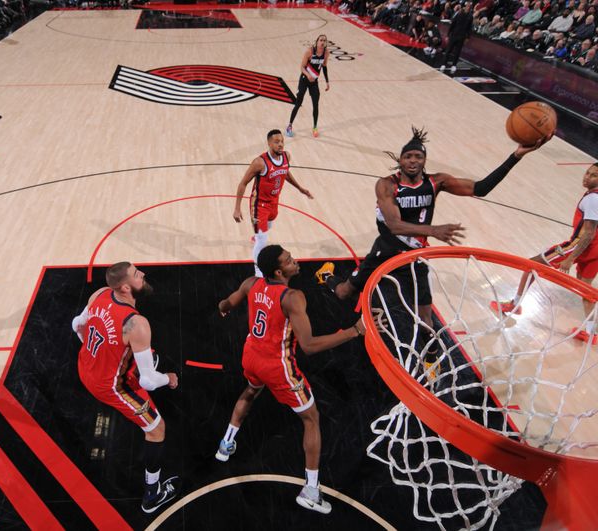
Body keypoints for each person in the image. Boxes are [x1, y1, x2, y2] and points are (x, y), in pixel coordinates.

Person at [321, 127, 549, 359]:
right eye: (408, 156)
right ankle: (327, 277)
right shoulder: (386, 185)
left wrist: (516, 156)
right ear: (400, 159)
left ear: (424, 160)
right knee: (343, 292)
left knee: (425, 317)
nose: (412, 161)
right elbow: (394, 225)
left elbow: (480, 189)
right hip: (385, 250)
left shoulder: (436, 182)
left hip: (413, 257)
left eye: (418, 156)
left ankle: (430, 358)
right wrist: (433, 230)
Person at [214, 245, 364, 514]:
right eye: (289, 260)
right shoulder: (293, 297)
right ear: (279, 271)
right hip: (278, 367)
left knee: (250, 391)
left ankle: (225, 445)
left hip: (251, 356)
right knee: (312, 418)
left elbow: (228, 303)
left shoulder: (251, 283)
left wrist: (223, 307)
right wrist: (353, 331)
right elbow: (309, 345)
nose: (295, 261)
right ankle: (311, 491)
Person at [72, 262, 180, 513]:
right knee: (156, 428)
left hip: (84, 365)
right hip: (108, 386)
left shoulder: (99, 294)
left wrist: (94, 352)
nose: (142, 273)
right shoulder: (137, 324)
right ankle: (152, 495)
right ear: (124, 287)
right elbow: (148, 381)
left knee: (141, 354)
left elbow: (77, 325)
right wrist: (169, 378)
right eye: (136, 274)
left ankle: (125, 360)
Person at [492, 163, 598, 343]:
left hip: (578, 246)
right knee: (585, 290)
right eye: (588, 172)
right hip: (595, 249)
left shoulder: (592, 199)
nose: (587, 176)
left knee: (530, 265)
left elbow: (588, 233)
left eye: (594, 175)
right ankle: (591, 333)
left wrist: (570, 258)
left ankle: (514, 304)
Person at [233, 129, 313, 277]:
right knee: (262, 240)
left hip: (274, 202)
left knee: (269, 225)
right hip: (259, 204)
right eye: (276, 142)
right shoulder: (259, 162)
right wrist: (237, 207)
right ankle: (258, 271)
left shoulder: (286, 156)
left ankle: (258, 233)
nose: (280, 144)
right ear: (269, 143)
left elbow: (285, 173)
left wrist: (300, 188)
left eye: (282, 141)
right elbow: (243, 183)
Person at [285, 35, 330, 139]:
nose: (322, 42)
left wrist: (327, 81)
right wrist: (308, 75)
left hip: (314, 82)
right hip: (304, 80)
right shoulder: (309, 52)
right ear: (317, 41)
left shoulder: (326, 53)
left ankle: (314, 127)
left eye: (324, 40)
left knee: (316, 105)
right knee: (298, 103)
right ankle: (289, 126)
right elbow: (302, 67)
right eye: (321, 40)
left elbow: (324, 66)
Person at [440, 1, 473, 72]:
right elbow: (452, 24)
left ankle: (454, 65)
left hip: (462, 37)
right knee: (448, 50)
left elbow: (469, 28)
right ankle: (443, 64)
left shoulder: (470, 16)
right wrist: (448, 35)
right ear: (465, 6)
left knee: (457, 52)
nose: (468, 8)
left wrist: (467, 37)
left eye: (470, 7)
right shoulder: (459, 13)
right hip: (454, 35)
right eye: (467, 6)